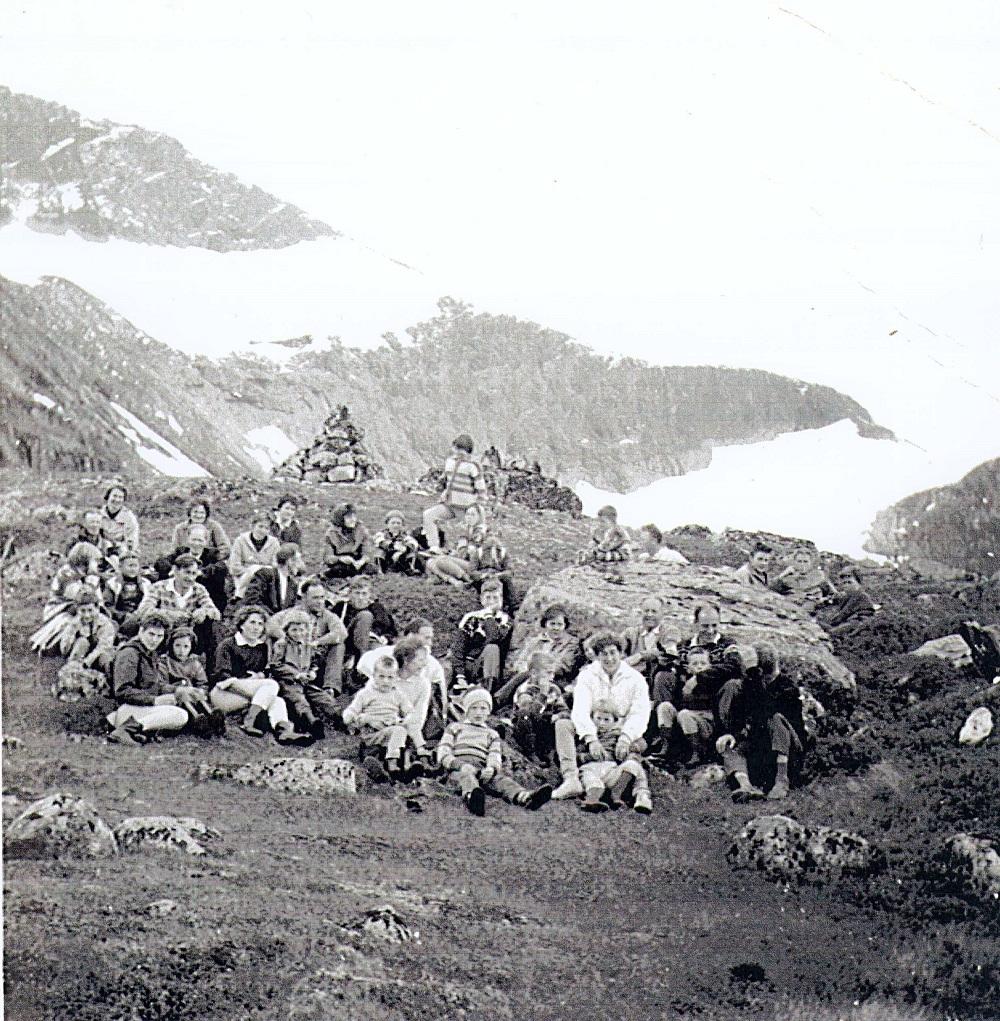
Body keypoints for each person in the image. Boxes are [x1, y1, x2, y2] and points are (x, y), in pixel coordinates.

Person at [552, 631, 651, 800]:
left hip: (620, 732)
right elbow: (580, 710)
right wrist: (591, 739)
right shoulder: (587, 675)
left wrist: (625, 737)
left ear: (621, 653)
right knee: (562, 725)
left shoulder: (635, 679)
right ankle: (571, 779)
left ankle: (631, 788)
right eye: (604, 654)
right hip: (592, 727)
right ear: (597, 656)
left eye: (613, 653)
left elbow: (640, 713)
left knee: (639, 745)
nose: (609, 658)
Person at [436, 687, 552, 816]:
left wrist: (491, 768)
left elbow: (494, 755)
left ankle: (524, 797)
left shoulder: (492, 734)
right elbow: (443, 752)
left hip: (482, 769)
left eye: (483, 708)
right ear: (466, 710)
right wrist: (460, 765)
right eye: (474, 708)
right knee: (466, 779)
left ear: (488, 711)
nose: (478, 713)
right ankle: (472, 798)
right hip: (458, 769)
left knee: (502, 781)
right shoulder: (455, 727)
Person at [715, 644, 808, 802]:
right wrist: (734, 736)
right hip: (762, 745)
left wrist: (754, 676)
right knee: (731, 748)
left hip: (789, 749)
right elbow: (750, 717)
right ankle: (745, 785)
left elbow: (765, 711)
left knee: (775, 718)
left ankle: (781, 780)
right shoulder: (752, 685)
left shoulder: (787, 687)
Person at [209, 605, 309, 745]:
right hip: (225, 692)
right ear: (242, 624)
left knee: (277, 700)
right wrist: (250, 683)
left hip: (253, 695)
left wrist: (259, 676)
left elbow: (264, 671)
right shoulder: (227, 645)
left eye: (260, 624)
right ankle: (248, 721)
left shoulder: (261, 647)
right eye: (252, 622)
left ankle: (283, 732)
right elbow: (220, 675)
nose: (256, 627)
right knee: (271, 686)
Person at [106, 612, 207, 745]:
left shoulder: (150, 653)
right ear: (141, 631)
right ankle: (125, 730)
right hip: (126, 709)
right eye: (151, 634)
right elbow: (123, 691)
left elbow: (153, 685)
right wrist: (155, 700)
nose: (155, 640)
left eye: (159, 636)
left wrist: (178, 691)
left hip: (141, 707)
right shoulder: (129, 653)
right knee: (180, 715)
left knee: (179, 709)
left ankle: (141, 733)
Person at [652, 645, 743, 766]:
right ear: (688, 668)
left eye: (703, 663)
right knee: (665, 706)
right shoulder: (683, 681)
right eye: (695, 664)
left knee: (685, 714)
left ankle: (697, 752)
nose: (699, 666)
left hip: (704, 722)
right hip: (683, 720)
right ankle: (665, 746)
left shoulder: (713, 680)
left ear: (710, 666)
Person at [341, 653, 425, 782]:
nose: (385, 681)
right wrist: (351, 716)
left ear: (395, 678)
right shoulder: (366, 693)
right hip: (372, 734)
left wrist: (403, 720)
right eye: (381, 676)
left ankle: (407, 768)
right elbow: (353, 709)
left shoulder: (397, 694)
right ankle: (392, 766)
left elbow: (410, 711)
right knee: (398, 732)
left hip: (391, 731)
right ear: (374, 676)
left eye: (390, 677)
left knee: (404, 733)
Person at [133, 553, 221, 668]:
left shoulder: (198, 589)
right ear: (175, 570)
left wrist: (204, 611)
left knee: (213, 627)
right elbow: (143, 611)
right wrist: (171, 615)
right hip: (164, 634)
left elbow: (216, 613)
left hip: (189, 636)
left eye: (194, 573)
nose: (190, 578)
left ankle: (213, 671)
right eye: (187, 572)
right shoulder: (159, 587)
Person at [357, 617, 448, 724]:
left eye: (431, 639)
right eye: (426, 638)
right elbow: (362, 665)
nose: (430, 643)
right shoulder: (385, 652)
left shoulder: (433, 663)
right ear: (410, 636)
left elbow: (441, 694)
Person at [272, 579, 349, 694]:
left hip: (317, 659)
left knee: (339, 645)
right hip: (295, 659)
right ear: (304, 597)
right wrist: (289, 639)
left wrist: (317, 642)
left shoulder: (327, 615)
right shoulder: (292, 613)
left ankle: (330, 688)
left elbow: (342, 632)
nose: (320, 602)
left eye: (322, 597)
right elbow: (270, 625)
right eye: (315, 598)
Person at [579, 700, 652, 814]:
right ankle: (592, 799)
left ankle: (616, 793)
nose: (601, 723)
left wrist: (632, 746)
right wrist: (586, 757)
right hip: (592, 768)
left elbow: (643, 742)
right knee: (589, 776)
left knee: (632, 765)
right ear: (592, 719)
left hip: (611, 770)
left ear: (614, 722)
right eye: (598, 718)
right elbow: (577, 754)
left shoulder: (619, 734)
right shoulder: (587, 735)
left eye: (606, 720)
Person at [498, 603, 582, 701]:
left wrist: (541, 670)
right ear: (545, 624)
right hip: (530, 675)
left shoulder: (571, 643)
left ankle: (498, 699)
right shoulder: (536, 640)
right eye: (552, 624)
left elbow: (565, 665)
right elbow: (522, 658)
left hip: (555, 678)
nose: (556, 628)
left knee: (530, 674)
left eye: (560, 624)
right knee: (523, 674)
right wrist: (524, 666)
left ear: (565, 625)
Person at [422, 434, 488, 553]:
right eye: (457, 448)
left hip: (467, 508)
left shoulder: (473, 465)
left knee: (472, 532)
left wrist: (479, 507)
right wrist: (445, 493)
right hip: (450, 504)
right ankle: (434, 547)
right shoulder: (449, 462)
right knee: (428, 515)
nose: (459, 452)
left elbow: (481, 488)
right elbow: (448, 481)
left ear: (469, 451)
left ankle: (476, 554)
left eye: (463, 450)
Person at [268, 608, 327, 740]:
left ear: (307, 630)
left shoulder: (308, 646)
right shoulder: (282, 644)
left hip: (305, 681)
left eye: (302, 630)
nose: (298, 633)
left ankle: (341, 720)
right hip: (288, 682)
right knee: (298, 699)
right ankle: (311, 721)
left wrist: (312, 672)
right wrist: (295, 674)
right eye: (294, 630)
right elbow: (275, 665)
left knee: (323, 697)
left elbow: (314, 663)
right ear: (287, 630)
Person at [330, 575, 397, 690]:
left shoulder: (377, 608)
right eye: (357, 593)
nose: (360, 598)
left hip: (371, 642)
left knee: (379, 648)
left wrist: (385, 637)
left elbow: (391, 630)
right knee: (365, 616)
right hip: (347, 641)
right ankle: (361, 668)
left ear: (370, 595)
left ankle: (375, 680)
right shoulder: (341, 608)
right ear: (350, 594)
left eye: (364, 594)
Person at [505, 651, 569, 763]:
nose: (552, 677)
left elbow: (564, 710)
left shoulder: (554, 689)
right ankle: (531, 753)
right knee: (524, 716)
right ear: (534, 673)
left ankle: (552, 754)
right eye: (548, 673)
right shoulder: (525, 690)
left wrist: (559, 715)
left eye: (553, 673)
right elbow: (531, 713)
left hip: (545, 727)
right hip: (528, 729)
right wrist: (542, 695)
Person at [451, 578, 513, 695]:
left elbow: (494, 637)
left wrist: (489, 616)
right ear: (481, 600)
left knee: (492, 648)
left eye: (495, 598)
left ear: (502, 600)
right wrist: (460, 675)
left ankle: (487, 691)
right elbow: (459, 647)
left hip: (491, 670)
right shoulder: (471, 617)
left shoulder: (505, 619)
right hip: (470, 666)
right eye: (488, 597)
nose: (492, 601)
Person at [58, 590, 117, 673]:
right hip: (79, 656)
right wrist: (73, 632)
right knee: (82, 642)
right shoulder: (74, 623)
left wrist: (86, 662)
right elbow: (64, 650)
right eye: (82, 611)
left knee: (105, 658)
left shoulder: (106, 624)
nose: (87, 615)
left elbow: (103, 647)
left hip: (97, 656)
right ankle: (73, 671)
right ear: (77, 610)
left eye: (90, 610)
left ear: (97, 609)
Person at [242, 542, 304, 615]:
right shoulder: (265, 574)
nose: (301, 565)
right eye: (298, 560)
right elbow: (252, 599)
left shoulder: (293, 585)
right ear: (289, 561)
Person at [228, 512, 281, 597]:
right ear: (253, 526)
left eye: (267, 528)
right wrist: (251, 571)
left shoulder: (274, 543)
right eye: (260, 526)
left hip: (266, 581)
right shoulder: (240, 541)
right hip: (243, 581)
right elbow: (234, 567)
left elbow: (276, 566)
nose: (263, 530)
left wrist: (261, 571)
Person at [772, 548, 837, 611]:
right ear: (794, 562)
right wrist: (783, 574)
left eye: (805, 561)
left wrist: (823, 600)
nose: (802, 564)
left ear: (811, 562)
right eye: (799, 561)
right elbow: (771, 589)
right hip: (789, 605)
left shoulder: (819, 576)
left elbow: (834, 595)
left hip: (812, 606)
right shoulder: (787, 576)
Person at [323, 502, 374, 579]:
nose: (353, 519)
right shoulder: (331, 533)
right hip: (340, 562)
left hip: (357, 561)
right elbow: (327, 557)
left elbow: (367, 552)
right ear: (341, 519)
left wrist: (362, 561)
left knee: (372, 569)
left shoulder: (361, 530)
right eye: (349, 517)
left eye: (354, 516)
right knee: (338, 570)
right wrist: (340, 559)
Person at [104, 553, 151, 627]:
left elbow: (150, 603)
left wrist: (138, 615)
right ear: (120, 567)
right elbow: (107, 606)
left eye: (135, 566)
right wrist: (122, 615)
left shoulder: (146, 583)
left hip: (140, 617)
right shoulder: (112, 583)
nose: (133, 569)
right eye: (130, 566)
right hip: (119, 619)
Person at [825, 568, 878, 634]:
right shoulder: (844, 598)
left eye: (849, 582)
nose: (846, 585)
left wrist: (834, 631)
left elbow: (862, 620)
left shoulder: (863, 597)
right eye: (844, 583)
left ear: (859, 584)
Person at [371, 509, 421, 575]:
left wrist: (405, 549)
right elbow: (379, 541)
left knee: (411, 552)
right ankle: (379, 570)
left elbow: (413, 543)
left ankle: (410, 569)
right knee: (379, 551)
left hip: (400, 559)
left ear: (402, 525)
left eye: (398, 523)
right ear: (387, 524)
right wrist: (392, 546)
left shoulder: (404, 535)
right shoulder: (382, 534)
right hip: (386, 558)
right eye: (393, 523)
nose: (396, 525)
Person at [99, 484, 140, 558]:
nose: (117, 500)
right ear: (108, 497)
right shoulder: (99, 514)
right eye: (114, 496)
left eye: (120, 497)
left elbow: (132, 541)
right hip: (102, 547)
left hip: (121, 549)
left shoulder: (129, 517)